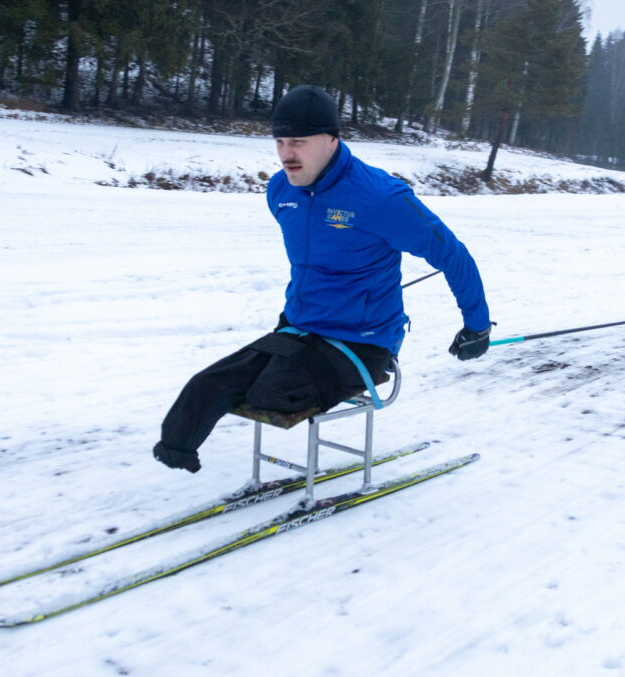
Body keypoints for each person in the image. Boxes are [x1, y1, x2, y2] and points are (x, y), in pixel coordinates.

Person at [153, 85, 491, 474]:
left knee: (272, 393)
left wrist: (476, 326)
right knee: (207, 385)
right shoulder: (281, 190)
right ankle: (176, 452)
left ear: (331, 141)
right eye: (280, 142)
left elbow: (452, 253)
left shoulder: (380, 198)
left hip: (361, 344)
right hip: (299, 333)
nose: (286, 154)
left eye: (298, 142)